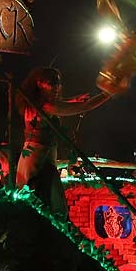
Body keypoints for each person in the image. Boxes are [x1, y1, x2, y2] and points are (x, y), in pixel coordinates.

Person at [16, 67, 111, 213]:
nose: (57, 87)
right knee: (41, 199)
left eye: (58, 83)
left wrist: (72, 99)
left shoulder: (36, 103)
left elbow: (62, 104)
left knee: (49, 199)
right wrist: (107, 94)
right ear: (40, 83)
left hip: (39, 155)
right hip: (38, 157)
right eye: (52, 82)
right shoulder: (47, 106)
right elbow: (84, 106)